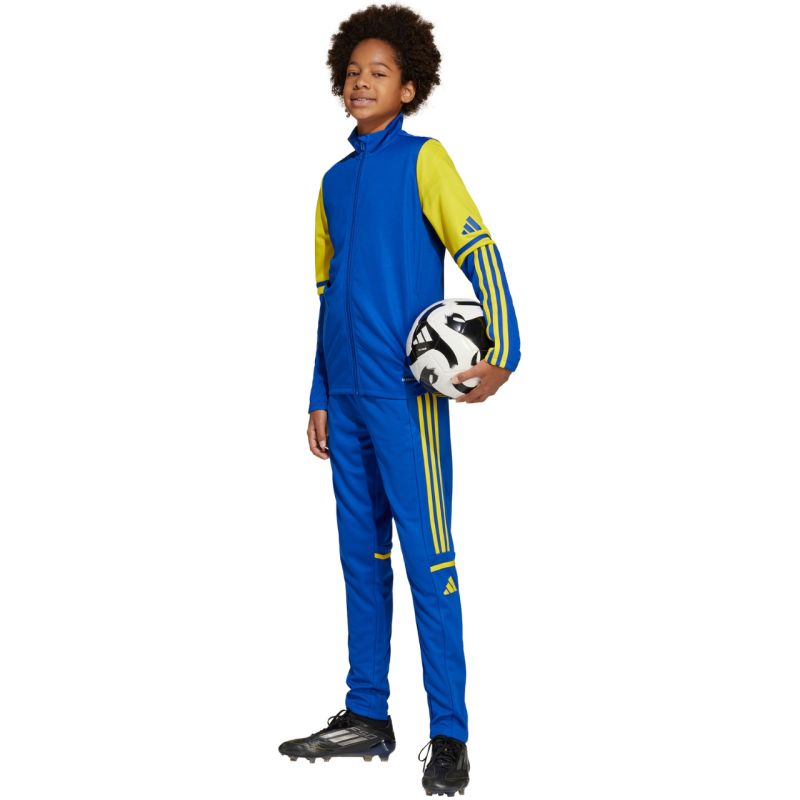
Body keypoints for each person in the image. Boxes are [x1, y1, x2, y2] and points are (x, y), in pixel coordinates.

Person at [279, 5, 521, 796]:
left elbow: (478, 247)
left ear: (409, 87)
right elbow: (328, 296)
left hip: (406, 397)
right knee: (361, 557)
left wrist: (503, 351)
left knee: (429, 558)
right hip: (346, 398)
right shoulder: (332, 182)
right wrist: (319, 391)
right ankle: (367, 714)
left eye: (379, 73)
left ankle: (449, 734)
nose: (362, 82)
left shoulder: (426, 159)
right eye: (353, 72)